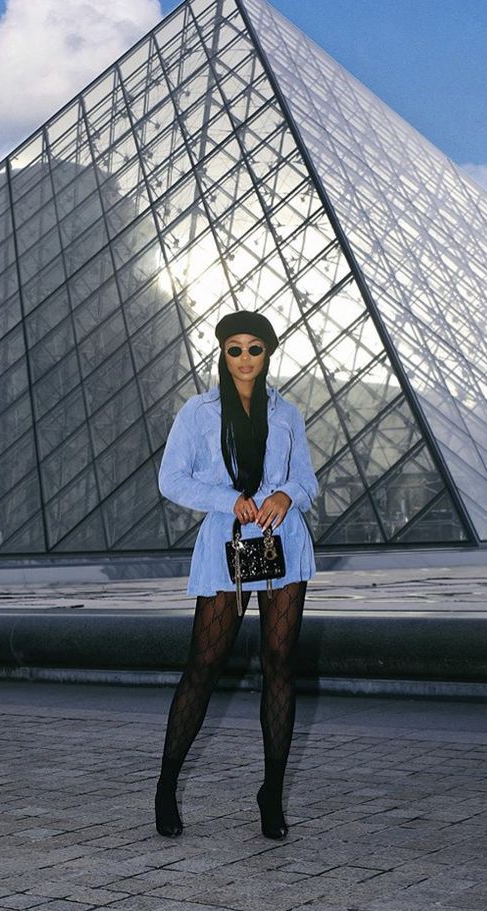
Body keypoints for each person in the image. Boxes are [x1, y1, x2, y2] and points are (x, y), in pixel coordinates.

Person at [154, 309, 319, 840]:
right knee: (203, 664)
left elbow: (307, 480)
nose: (245, 358)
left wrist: (284, 494)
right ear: (221, 353)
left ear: (268, 354)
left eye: (255, 348)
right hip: (226, 542)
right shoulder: (197, 413)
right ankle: (166, 785)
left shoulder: (287, 413)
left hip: (283, 542)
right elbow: (171, 479)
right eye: (235, 348)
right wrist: (229, 501)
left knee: (279, 665)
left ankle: (272, 792)